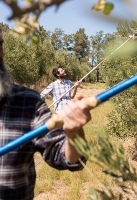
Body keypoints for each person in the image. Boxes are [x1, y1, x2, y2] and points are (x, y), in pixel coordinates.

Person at [0, 31, 91, 199]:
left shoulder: (29, 102)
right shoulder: (52, 85)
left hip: (67, 114)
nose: (64, 70)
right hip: (59, 112)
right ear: (57, 74)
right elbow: (43, 93)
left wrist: (74, 132)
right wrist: (42, 99)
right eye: (61, 70)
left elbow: (63, 155)